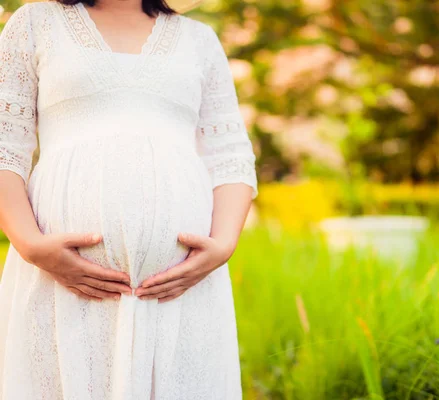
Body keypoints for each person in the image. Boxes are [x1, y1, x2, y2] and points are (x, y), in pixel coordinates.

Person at [0, 0, 258, 398]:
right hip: (58, 284)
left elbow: (231, 158)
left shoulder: (199, 40)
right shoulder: (35, 22)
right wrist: (32, 245)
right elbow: (4, 146)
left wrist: (223, 245)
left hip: (181, 291)